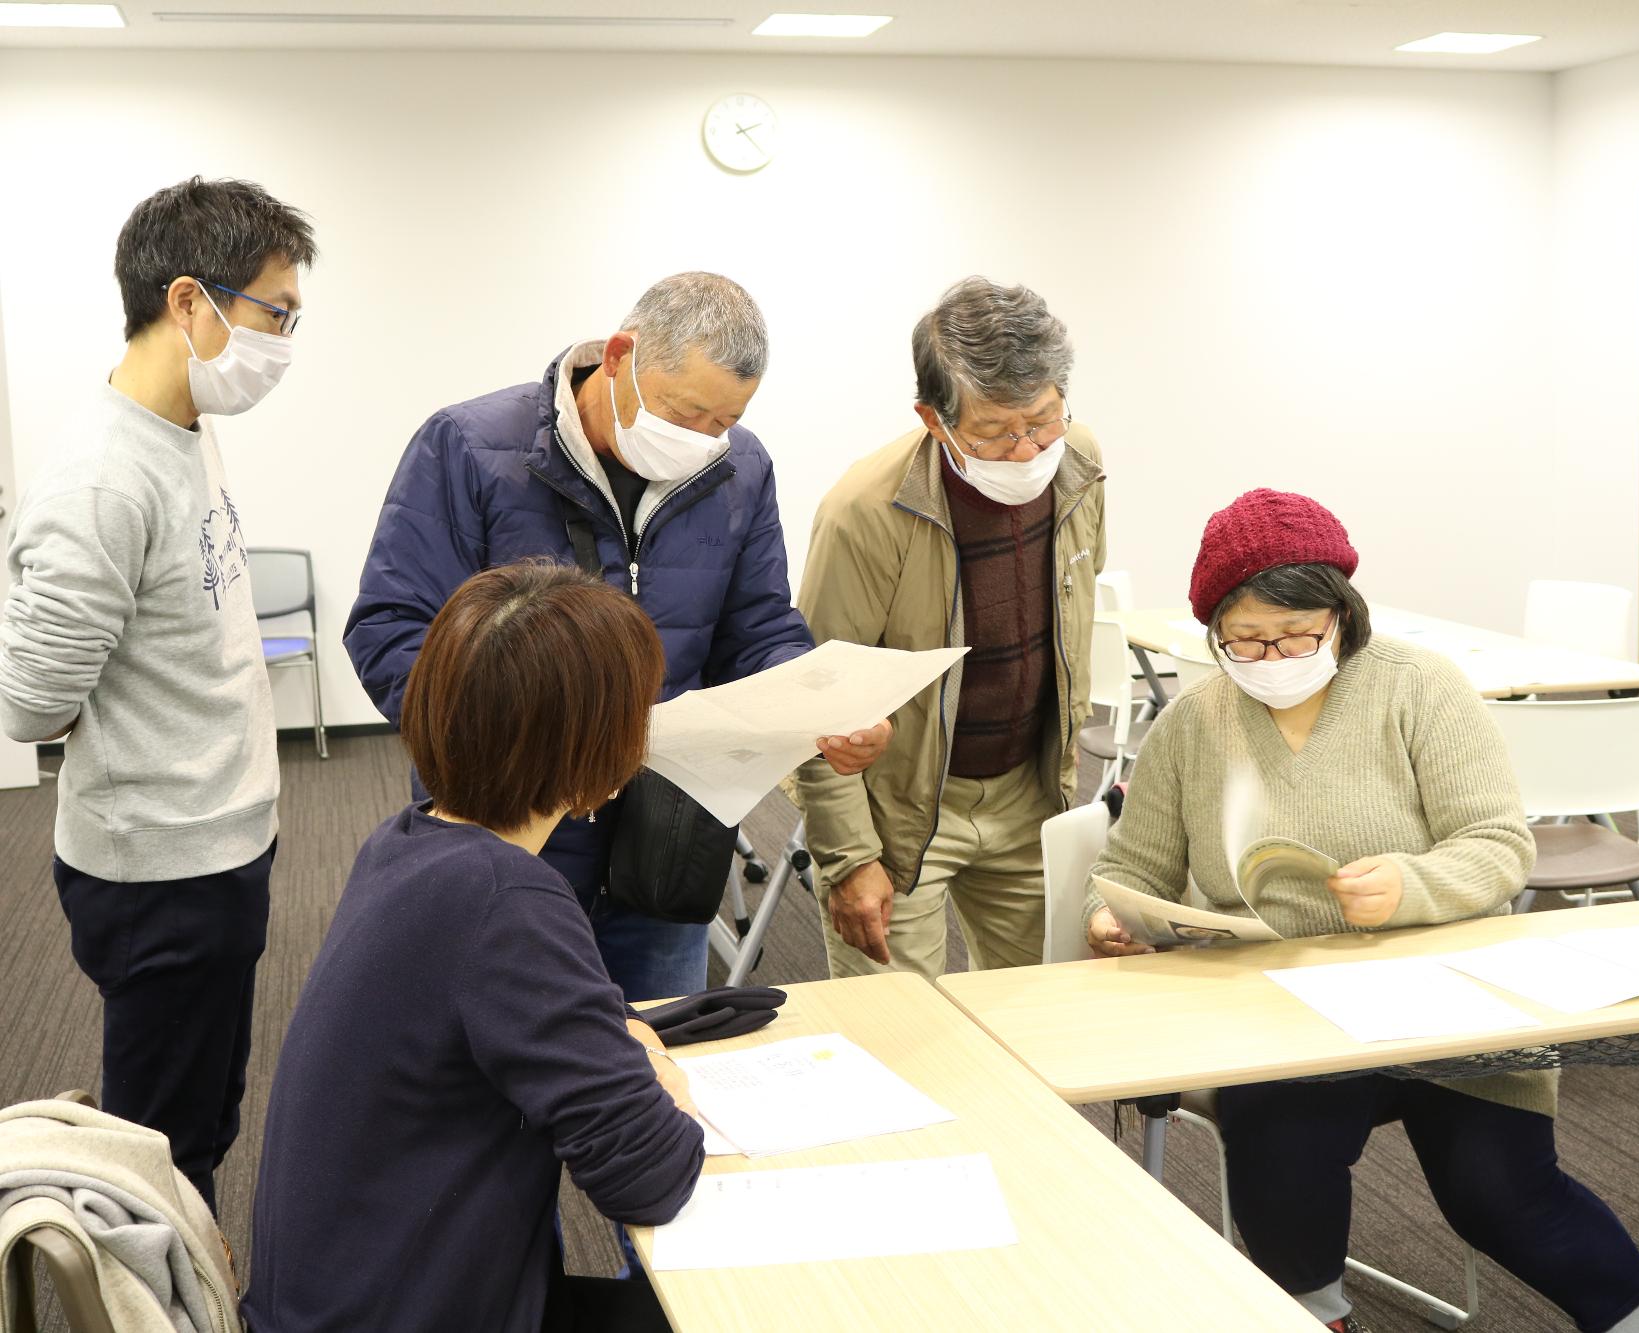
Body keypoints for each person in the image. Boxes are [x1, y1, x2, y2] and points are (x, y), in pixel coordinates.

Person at [1083, 489, 1639, 1333]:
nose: (1275, 655)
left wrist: (1409, 886)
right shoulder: (1195, 722)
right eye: (1250, 639)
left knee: (1501, 1192)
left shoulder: (1421, 688)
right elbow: (1129, 866)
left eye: (1299, 634)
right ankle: (1315, 1316)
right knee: (1280, 1141)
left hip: (1441, 991)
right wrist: (1111, 918)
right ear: (1216, 633)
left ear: (1343, 615)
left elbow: (1497, 843)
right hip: (1281, 1011)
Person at [344, 272, 890, 1006]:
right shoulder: (470, 449)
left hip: (665, 844)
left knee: (659, 1065)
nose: (703, 440)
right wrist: (526, 747)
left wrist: (816, 706)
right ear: (620, 355)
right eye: (686, 411)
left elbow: (757, 627)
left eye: (724, 420)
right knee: (505, 1074)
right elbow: (391, 631)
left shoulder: (740, 467)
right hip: (510, 833)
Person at [244, 562, 704, 1333]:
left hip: (340, 1303)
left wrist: (620, 1046)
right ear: (597, 750)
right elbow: (651, 1174)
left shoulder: (407, 842)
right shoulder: (505, 902)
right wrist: (662, 1077)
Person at [0, 177, 315, 1212]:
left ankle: (193, 1263)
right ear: (190, 301)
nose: (283, 340)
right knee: (157, 1146)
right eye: (275, 312)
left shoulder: (182, 428)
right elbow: (32, 702)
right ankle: (152, 1292)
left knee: (204, 1116)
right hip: (160, 869)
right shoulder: (101, 479)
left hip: (221, 838)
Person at [795, 277, 1107, 980]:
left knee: (1044, 1017)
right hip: (901, 809)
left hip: (1028, 792)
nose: (1027, 450)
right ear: (934, 419)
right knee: (901, 1040)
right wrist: (849, 858)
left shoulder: (1079, 464)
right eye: (995, 431)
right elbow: (818, 694)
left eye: (1043, 419)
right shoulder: (865, 512)